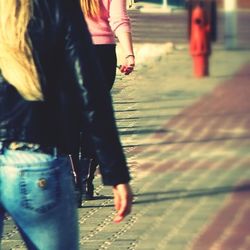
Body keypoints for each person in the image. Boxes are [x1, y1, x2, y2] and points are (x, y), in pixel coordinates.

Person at [0, 0, 133, 249]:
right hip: (34, 158)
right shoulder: (58, 6)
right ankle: (83, 181)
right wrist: (115, 173)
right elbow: (91, 93)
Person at [78, 0, 135, 202]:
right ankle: (85, 183)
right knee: (93, 118)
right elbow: (118, 19)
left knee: (70, 118)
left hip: (68, 49)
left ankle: (73, 184)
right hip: (102, 54)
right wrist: (128, 53)